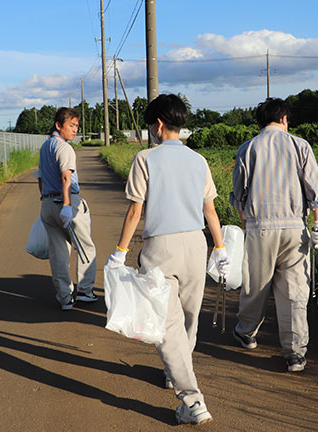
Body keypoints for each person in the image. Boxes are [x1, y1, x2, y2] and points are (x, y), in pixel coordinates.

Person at [106, 94, 230, 425]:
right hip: (196, 244)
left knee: (166, 325)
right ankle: (174, 373)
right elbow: (210, 210)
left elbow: (136, 210)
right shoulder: (198, 160)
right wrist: (220, 248)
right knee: (188, 320)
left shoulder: (145, 158)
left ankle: (192, 400)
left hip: (161, 248)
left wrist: (119, 253)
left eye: (150, 125)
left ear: (159, 124)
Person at [230, 97, 318, 373]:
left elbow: (239, 195)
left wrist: (247, 224)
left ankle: (247, 332)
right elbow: (314, 191)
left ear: (259, 123)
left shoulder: (247, 148)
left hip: (259, 226)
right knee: (294, 290)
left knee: (256, 285)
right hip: (296, 228)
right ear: (284, 119)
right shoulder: (301, 146)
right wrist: (317, 225)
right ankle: (295, 353)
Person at [38, 108, 98, 311]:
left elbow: (40, 178)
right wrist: (66, 205)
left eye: (77, 126)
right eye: (71, 125)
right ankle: (85, 291)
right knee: (84, 247)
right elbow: (66, 177)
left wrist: (45, 201)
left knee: (59, 253)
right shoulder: (64, 149)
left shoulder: (45, 146)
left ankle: (64, 297)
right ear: (58, 125)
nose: (75, 130)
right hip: (67, 203)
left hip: (47, 204)